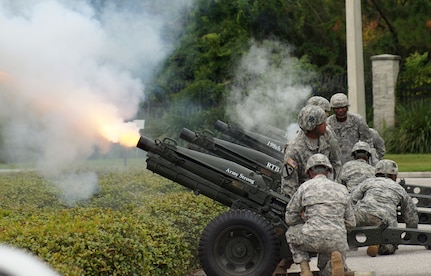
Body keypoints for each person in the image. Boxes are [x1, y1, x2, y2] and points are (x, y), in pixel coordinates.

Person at [285, 153, 356, 276]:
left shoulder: (304, 187)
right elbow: (351, 223)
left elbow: (290, 217)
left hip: (312, 236)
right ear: (328, 171)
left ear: (310, 171)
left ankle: (305, 269)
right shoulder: (342, 189)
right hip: (337, 240)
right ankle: (336, 266)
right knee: (326, 269)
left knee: (291, 233)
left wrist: (305, 220)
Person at [349, 159, 419, 257]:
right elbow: (411, 215)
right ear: (394, 175)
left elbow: (351, 200)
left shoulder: (368, 182)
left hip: (362, 213)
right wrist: (410, 233)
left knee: (347, 228)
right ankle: (378, 244)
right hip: (384, 218)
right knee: (389, 246)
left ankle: (344, 242)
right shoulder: (399, 188)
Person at [282, 104, 342, 198]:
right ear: (313, 127)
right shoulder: (294, 150)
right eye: (322, 123)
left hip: (331, 191)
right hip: (308, 197)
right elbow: (289, 186)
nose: (326, 125)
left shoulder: (327, 135)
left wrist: (336, 187)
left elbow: (336, 162)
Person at [327, 93, 373, 165]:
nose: (340, 110)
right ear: (332, 109)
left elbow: (367, 141)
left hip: (355, 162)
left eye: (343, 107)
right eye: (337, 108)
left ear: (347, 107)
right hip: (336, 163)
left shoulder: (358, 120)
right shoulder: (328, 123)